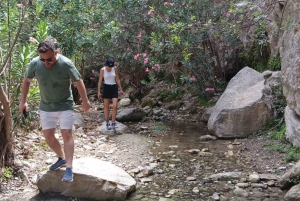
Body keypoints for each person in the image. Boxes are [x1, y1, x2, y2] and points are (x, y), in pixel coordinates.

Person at [19, 40, 91, 182]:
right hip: (46, 106)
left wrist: (85, 101)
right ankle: (62, 158)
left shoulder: (66, 63)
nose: (46, 63)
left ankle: (69, 168)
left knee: (66, 133)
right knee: (48, 136)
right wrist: (23, 101)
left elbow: (78, 81)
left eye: (50, 59)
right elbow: (26, 81)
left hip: (65, 104)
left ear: (56, 53)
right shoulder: (35, 63)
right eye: (43, 60)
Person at [97, 58, 124, 130]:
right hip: (106, 87)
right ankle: (107, 122)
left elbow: (117, 79)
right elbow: (100, 81)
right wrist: (99, 92)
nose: (110, 68)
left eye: (111, 66)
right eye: (109, 66)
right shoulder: (102, 70)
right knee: (107, 106)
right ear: (106, 65)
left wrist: (120, 89)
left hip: (114, 87)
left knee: (115, 105)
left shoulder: (115, 69)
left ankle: (113, 122)